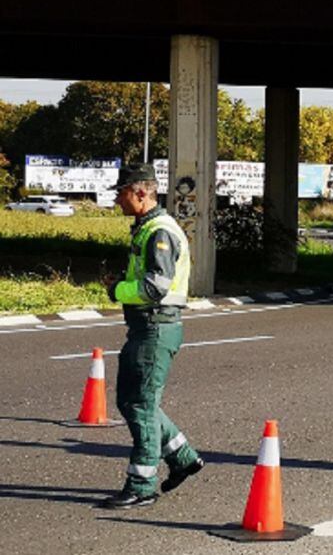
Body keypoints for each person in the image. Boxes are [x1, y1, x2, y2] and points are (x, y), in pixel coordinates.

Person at [99, 163, 203, 509]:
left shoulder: (159, 231)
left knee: (141, 405)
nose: (117, 199)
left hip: (155, 326)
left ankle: (141, 485)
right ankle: (183, 457)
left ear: (141, 192)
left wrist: (118, 290)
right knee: (132, 400)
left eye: (122, 192)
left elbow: (154, 287)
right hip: (149, 327)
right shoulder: (148, 228)